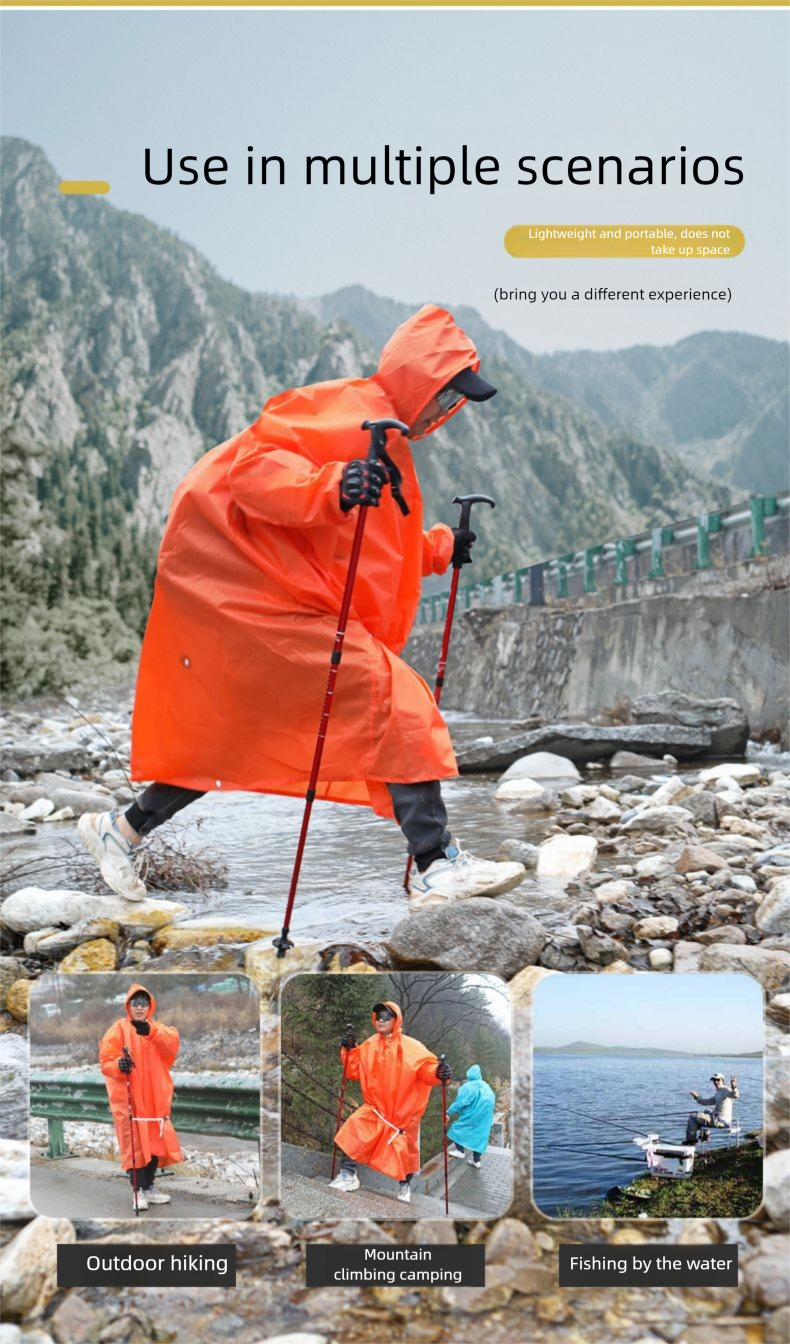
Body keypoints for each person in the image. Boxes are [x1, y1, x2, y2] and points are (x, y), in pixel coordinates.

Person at [77, 305, 526, 911]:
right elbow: (255, 474)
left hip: (279, 603)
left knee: (232, 734)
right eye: (447, 394)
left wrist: (442, 548)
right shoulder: (342, 410)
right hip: (254, 600)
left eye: (456, 400)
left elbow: (373, 541)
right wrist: (333, 485)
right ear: (421, 380)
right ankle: (437, 864)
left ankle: (121, 830)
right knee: (393, 698)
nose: (449, 409)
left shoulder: (387, 436)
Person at [329, 1001, 452, 1204]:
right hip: (374, 1109)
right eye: (378, 1016)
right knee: (353, 1132)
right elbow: (352, 1070)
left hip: (402, 1116)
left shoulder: (413, 1048)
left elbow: (428, 1070)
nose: (381, 1020)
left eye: (386, 1016)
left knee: (405, 1157)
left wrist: (440, 1073)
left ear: (397, 1019)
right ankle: (347, 1175)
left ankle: (405, 1186)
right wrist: (348, 1049)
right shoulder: (369, 1045)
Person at [98, 983, 182, 1212]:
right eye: (135, 1002)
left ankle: (149, 1188)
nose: (139, 1007)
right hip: (130, 1100)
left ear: (150, 1006)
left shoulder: (158, 1030)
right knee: (135, 1148)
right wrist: (119, 1064)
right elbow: (106, 1061)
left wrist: (151, 1032)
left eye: (144, 1002)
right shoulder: (118, 1030)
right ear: (128, 1005)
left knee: (154, 1144)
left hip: (155, 1100)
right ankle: (137, 1191)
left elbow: (173, 1043)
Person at [446, 1063, 496, 1168]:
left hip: (472, 1114)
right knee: (480, 1136)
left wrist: (449, 1112)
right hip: (485, 1117)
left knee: (456, 1128)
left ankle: (460, 1151)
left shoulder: (469, 1086)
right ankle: (476, 1161)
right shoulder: (486, 1086)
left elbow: (461, 1102)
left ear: (469, 1074)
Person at [685, 1072, 739, 1144]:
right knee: (706, 1111)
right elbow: (706, 1102)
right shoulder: (718, 1092)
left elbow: (735, 1095)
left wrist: (734, 1087)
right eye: (714, 1080)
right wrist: (697, 1097)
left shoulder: (727, 1090)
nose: (716, 1082)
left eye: (718, 1080)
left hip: (721, 1121)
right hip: (718, 1118)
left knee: (693, 1117)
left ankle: (691, 1141)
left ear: (723, 1080)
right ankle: (705, 1136)